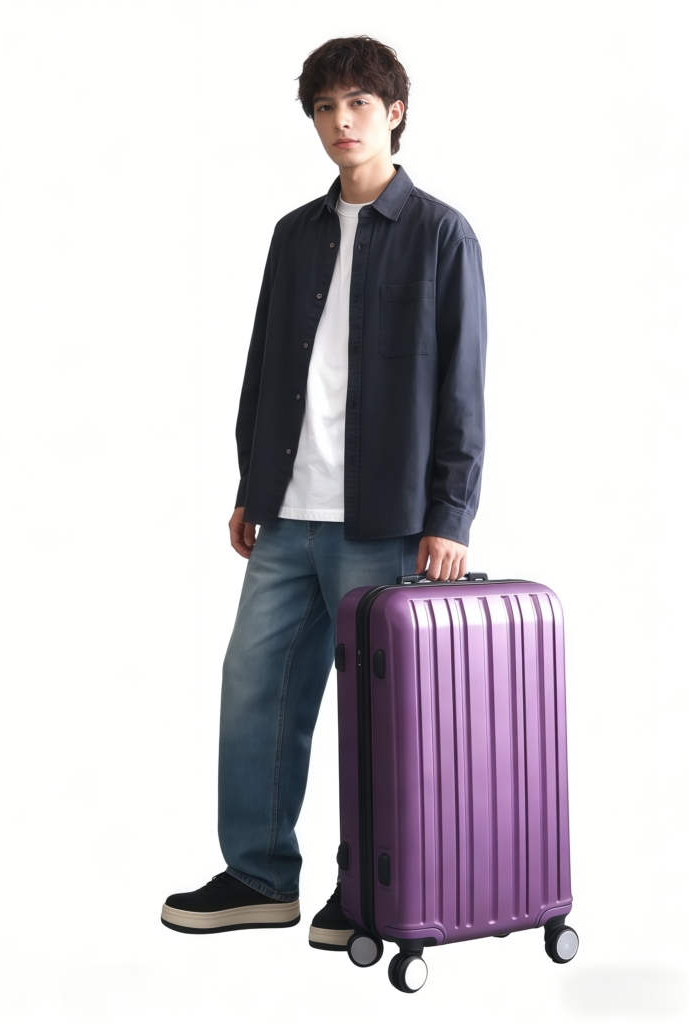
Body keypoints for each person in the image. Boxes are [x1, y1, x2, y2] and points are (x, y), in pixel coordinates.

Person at [160, 35, 487, 950]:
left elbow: (462, 390)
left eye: (358, 103)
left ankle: (368, 887)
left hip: (385, 524)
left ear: (395, 112)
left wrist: (450, 516)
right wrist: (250, 486)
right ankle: (259, 877)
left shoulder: (441, 235)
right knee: (254, 691)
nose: (341, 121)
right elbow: (264, 368)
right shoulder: (294, 235)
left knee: (379, 717)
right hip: (286, 517)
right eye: (325, 107)